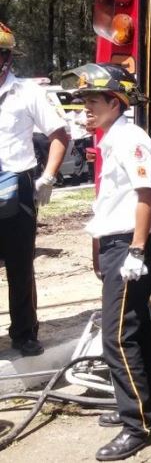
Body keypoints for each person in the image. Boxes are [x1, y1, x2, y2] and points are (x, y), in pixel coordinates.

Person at [62, 63, 151, 461]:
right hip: (115, 244)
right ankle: (142, 404)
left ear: (115, 102)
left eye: (91, 101)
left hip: (128, 246)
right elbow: (110, 201)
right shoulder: (110, 139)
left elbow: (144, 195)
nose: (84, 108)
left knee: (118, 337)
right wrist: (98, 246)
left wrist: (136, 248)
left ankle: (138, 424)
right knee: (134, 330)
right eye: (82, 101)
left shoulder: (131, 139)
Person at [0, 21, 70, 357]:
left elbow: (59, 133)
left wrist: (49, 176)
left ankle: (24, 332)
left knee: (19, 263)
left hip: (18, 184)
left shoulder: (27, 93)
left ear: (6, 58)